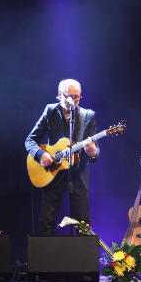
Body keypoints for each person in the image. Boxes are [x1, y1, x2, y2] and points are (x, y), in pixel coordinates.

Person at [25, 79, 99, 235]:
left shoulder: (87, 115)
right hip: (53, 174)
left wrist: (93, 152)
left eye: (77, 96)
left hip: (78, 176)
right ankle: (45, 258)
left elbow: (94, 152)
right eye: (69, 96)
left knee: (83, 226)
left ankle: (82, 259)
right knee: (46, 222)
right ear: (60, 95)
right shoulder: (50, 111)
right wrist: (41, 154)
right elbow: (30, 140)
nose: (74, 100)